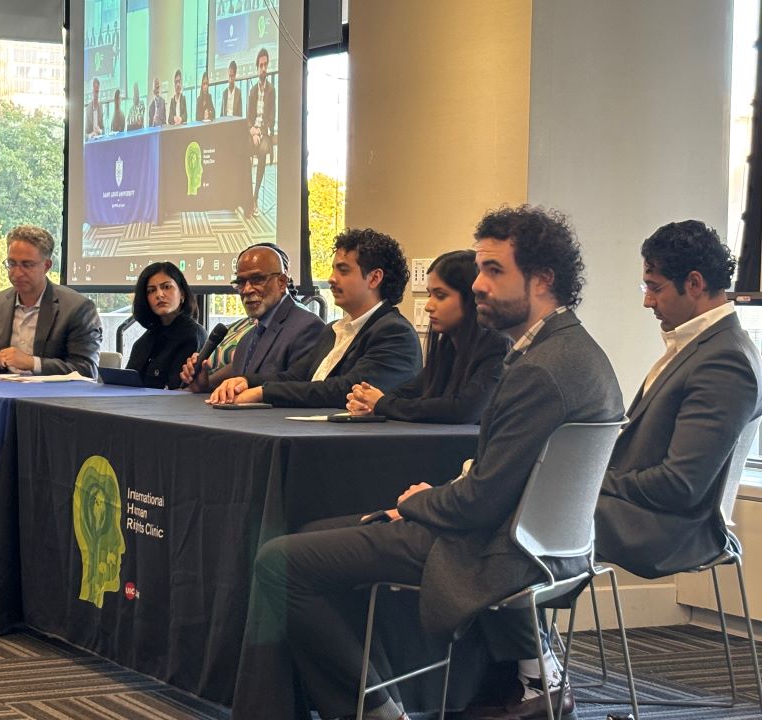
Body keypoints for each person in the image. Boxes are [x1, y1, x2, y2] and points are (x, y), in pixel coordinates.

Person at [230, 206, 624, 720]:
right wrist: (427, 502)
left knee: (280, 561)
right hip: (530, 542)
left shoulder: (540, 371)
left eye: (494, 271)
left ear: (544, 279)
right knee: (312, 532)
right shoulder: (572, 353)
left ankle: (375, 709)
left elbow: (482, 499)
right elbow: (499, 478)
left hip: (491, 547)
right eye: (479, 270)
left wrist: (419, 504)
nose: (478, 285)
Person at [595, 220, 762, 578]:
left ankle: (519, 635)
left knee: (530, 510)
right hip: (641, 509)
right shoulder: (701, 346)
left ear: (695, 283)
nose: (647, 301)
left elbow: (680, 486)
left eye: (654, 288)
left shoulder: (725, 360)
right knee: (525, 506)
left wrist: (594, 478)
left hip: (668, 530)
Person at [208, 228, 422, 409]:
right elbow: (295, 376)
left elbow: (344, 389)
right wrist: (245, 382)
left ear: (374, 278)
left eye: (343, 271)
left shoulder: (394, 332)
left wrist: (264, 393)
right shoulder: (332, 331)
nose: (331, 279)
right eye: (333, 269)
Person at [347, 249, 508, 423]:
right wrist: (368, 401)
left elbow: (463, 410)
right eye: (429, 294)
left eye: (440, 295)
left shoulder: (497, 347)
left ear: (471, 298)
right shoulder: (447, 347)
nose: (428, 306)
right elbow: (411, 391)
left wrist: (382, 403)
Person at [180, 244, 324, 392]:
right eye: (241, 282)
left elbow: (299, 387)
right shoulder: (247, 339)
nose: (247, 290)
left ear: (282, 282)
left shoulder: (307, 326)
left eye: (257, 279)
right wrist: (204, 387)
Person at [0, 225, 102, 379]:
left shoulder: (78, 308)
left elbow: (86, 369)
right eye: (12, 264)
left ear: (47, 266)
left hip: (49, 399)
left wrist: (32, 363)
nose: (17, 273)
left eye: (27, 265)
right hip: (1, 395)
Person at [126, 261, 206, 389]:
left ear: (182, 294)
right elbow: (127, 383)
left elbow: (175, 387)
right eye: (151, 291)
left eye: (166, 287)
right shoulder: (145, 340)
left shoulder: (192, 334)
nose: (159, 294)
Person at [246, 47, 275, 217]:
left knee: (263, 151)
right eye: (261, 65)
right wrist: (252, 131)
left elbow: (271, 118)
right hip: (253, 132)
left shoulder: (272, 90)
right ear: (257, 68)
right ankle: (246, 197)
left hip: (264, 134)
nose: (263, 68)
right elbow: (248, 117)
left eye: (265, 65)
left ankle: (255, 196)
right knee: (243, 150)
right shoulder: (252, 91)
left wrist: (260, 132)